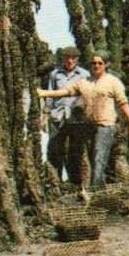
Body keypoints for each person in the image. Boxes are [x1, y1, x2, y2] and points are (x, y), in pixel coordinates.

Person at [36, 54, 129, 187]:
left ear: (105, 65)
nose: (96, 65)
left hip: (105, 126)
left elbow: (123, 103)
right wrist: (44, 93)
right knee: (91, 159)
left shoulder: (113, 82)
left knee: (99, 159)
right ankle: (97, 189)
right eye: (94, 63)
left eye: (100, 63)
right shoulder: (85, 82)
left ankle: (97, 192)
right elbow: (65, 91)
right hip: (88, 126)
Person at [44, 46, 89, 186]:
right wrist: (45, 115)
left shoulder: (84, 75)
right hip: (57, 116)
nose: (70, 61)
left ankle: (75, 182)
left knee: (75, 150)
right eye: (67, 58)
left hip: (76, 118)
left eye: (73, 58)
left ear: (77, 59)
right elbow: (50, 95)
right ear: (63, 58)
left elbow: (88, 96)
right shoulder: (55, 74)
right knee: (55, 149)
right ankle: (55, 181)